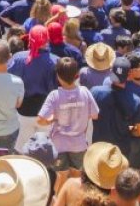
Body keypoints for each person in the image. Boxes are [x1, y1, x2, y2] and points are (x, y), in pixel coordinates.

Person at [38, 56, 98, 190]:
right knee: (77, 179)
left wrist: (52, 119)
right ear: (76, 75)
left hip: (58, 144)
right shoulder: (85, 92)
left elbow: (40, 120)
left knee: (60, 178)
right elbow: (95, 115)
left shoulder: (54, 95)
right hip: (79, 144)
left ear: (58, 76)